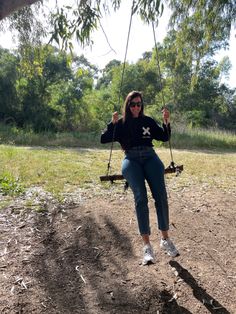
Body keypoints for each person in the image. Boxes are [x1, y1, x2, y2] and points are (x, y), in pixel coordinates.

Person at [101, 91, 179, 265]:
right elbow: (104, 138)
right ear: (128, 105)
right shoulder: (121, 123)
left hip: (150, 156)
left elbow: (164, 137)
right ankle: (147, 246)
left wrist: (166, 121)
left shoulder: (148, 121)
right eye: (133, 104)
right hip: (131, 158)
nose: (136, 107)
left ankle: (165, 239)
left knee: (160, 196)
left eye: (139, 104)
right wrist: (111, 124)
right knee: (141, 198)